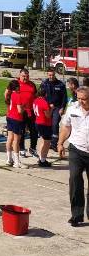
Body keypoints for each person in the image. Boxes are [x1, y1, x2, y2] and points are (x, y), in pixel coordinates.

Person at [58, 86, 89, 226]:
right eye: (79, 98)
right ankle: (76, 215)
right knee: (75, 179)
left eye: (84, 99)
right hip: (76, 149)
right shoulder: (72, 108)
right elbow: (66, 127)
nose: (81, 101)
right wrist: (60, 143)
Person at [40, 67, 67, 148]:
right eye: (49, 75)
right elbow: (40, 95)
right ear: (47, 74)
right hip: (47, 107)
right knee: (47, 124)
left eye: (52, 75)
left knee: (55, 124)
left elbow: (64, 97)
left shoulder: (60, 84)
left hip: (57, 107)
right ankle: (47, 141)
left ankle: (54, 144)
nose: (51, 77)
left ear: (55, 75)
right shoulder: (44, 84)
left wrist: (62, 108)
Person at [5, 80, 27, 168]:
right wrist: (24, 107)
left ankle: (9, 159)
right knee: (16, 141)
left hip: (9, 117)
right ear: (17, 87)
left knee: (9, 138)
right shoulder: (18, 95)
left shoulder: (10, 94)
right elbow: (20, 110)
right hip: (17, 119)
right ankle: (17, 162)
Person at [33, 87, 53, 167]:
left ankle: (41, 158)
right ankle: (43, 160)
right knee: (47, 143)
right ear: (45, 94)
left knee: (42, 141)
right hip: (45, 124)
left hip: (38, 122)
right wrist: (51, 108)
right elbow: (48, 115)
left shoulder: (35, 100)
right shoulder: (44, 102)